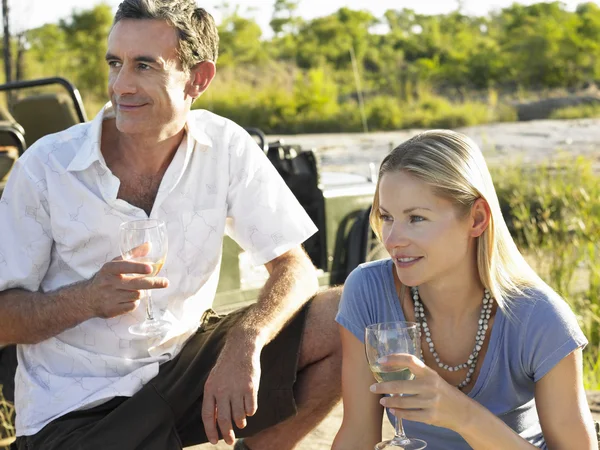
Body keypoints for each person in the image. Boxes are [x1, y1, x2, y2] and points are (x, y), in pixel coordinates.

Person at [0, 1, 343, 449]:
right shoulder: (45, 167)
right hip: (78, 409)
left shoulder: (225, 147)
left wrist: (247, 340)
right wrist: (86, 299)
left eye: (144, 65)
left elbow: (294, 267)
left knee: (345, 314)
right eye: (115, 64)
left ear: (198, 79)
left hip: (187, 366)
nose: (120, 85)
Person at [332, 130, 597, 449]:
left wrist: (461, 414)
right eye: (387, 217)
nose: (391, 239)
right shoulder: (368, 291)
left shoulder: (540, 318)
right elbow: (358, 435)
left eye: (416, 218)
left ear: (477, 218)